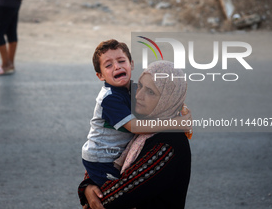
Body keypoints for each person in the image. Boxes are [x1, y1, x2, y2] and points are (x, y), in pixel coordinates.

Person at [78, 60, 192, 209]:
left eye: (151, 92)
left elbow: (119, 194)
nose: (139, 96)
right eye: (140, 86)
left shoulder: (168, 144)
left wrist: (90, 192)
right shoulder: (139, 123)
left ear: (167, 99)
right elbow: (101, 152)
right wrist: (87, 186)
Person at [81, 39, 136, 187]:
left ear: (131, 64)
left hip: (115, 154)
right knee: (115, 195)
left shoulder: (133, 89)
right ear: (100, 76)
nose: (117, 67)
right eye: (108, 65)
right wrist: (171, 123)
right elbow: (136, 127)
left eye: (121, 61)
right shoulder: (110, 98)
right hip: (102, 158)